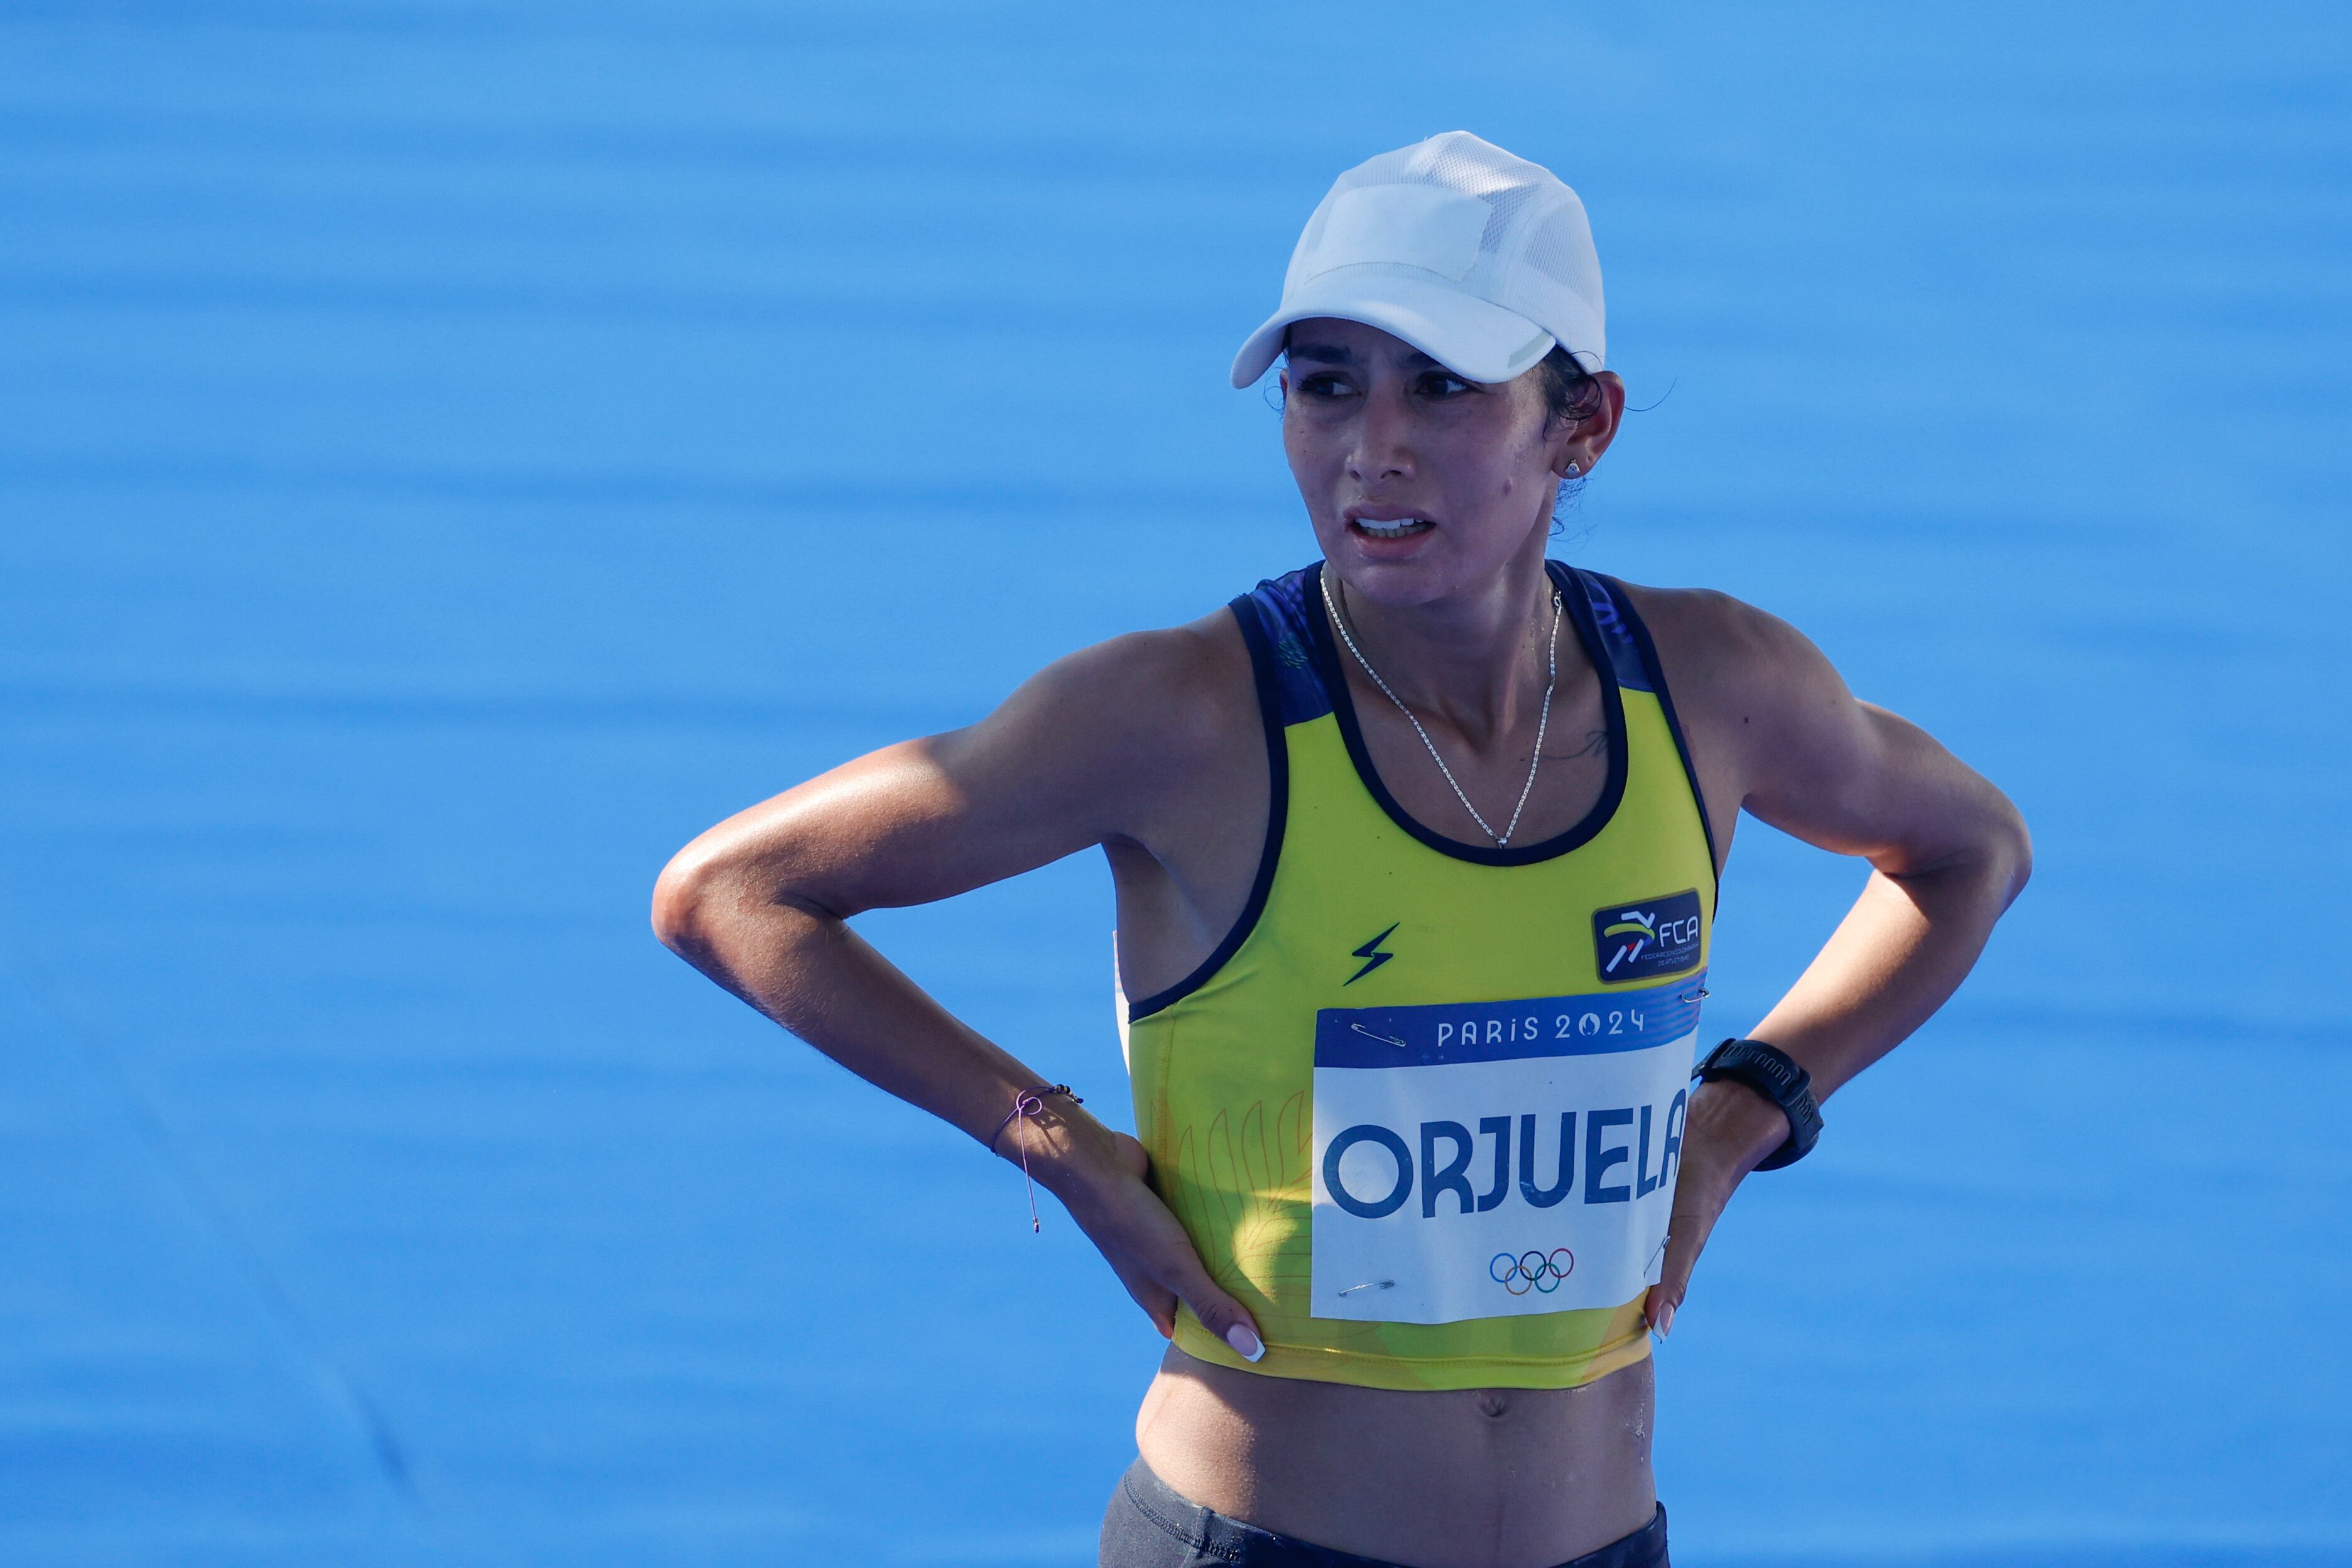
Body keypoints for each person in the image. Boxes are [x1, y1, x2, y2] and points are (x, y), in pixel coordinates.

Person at [651, 131, 2030, 1568]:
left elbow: (1971, 850)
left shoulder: (1713, 686)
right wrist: (1049, 1141)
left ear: (1585, 422)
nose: (1374, 446)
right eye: (1325, 385)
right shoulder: (1182, 715)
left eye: (1442, 385)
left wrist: (1745, 1112)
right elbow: (731, 893)